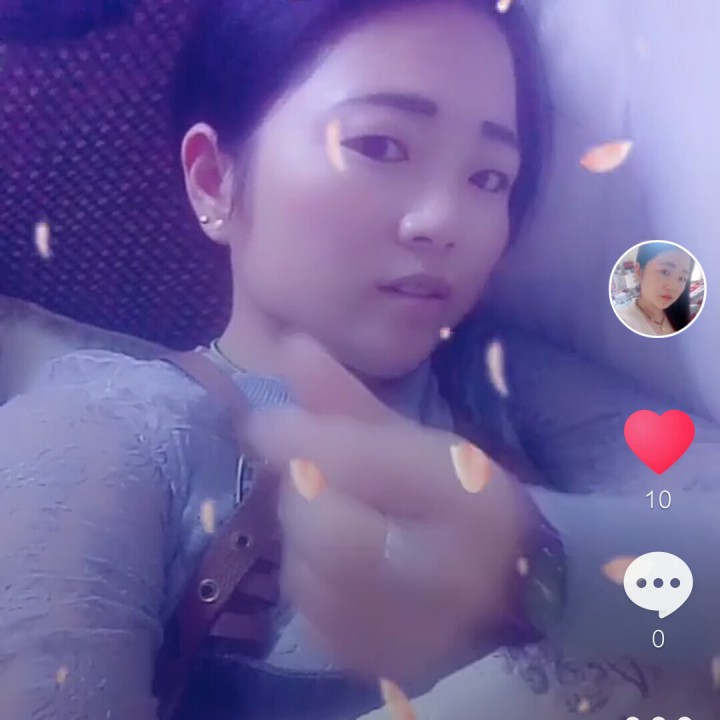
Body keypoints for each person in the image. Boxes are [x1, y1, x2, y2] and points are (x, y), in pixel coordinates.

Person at [1, 2, 720, 720]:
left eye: (488, 178)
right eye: (379, 145)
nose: (443, 220)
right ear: (214, 180)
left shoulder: (501, 383)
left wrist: (531, 563)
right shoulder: (108, 422)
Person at [614, 241, 695, 337]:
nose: (673, 287)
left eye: (682, 278)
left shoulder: (679, 315)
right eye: (665, 272)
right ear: (639, 271)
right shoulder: (623, 323)